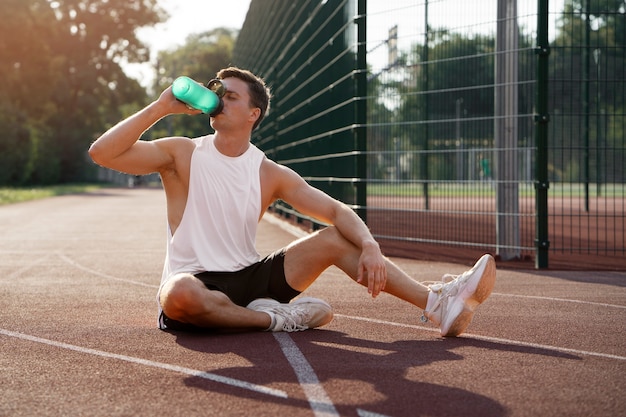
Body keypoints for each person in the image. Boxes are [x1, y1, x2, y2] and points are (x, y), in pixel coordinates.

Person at [89, 66, 496, 337]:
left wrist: (370, 246)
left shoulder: (268, 172)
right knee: (178, 296)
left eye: (230, 96)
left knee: (336, 237)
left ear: (253, 113)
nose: (217, 99)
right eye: (217, 93)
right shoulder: (181, 153)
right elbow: (102, 153)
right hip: (196, 281)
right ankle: (276, 318)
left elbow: (337, 211)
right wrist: (162, 107)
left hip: (251, 277)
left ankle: (437, 303)